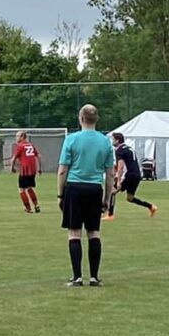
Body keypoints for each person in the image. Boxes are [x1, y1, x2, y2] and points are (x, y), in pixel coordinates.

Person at [58, 104, 114, 287]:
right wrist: (106, 198)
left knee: (74, 232)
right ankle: (94, 277)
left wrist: (60, 195)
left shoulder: (71, 139)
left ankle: (77, 277)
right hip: (94, 189)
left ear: (80, 118)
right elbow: (110, 173)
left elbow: (62, 170)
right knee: (93, 232)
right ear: (96, 119)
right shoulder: (105, 141)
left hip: (74, 188)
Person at [103, 132, 157, 220]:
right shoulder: (129, 148)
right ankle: (151, 206)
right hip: (137, 175)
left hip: (129, 175)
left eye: (112, 139)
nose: (111, 141)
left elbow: (121, 166)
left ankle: (110, 215)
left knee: (112, 191)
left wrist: (119, 181)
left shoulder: (119, 150)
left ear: (117, 140)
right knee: (130, 198)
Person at [9, 130, 42, 213]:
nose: (16, 138)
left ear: (22, 137)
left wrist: (12, 168)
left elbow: (13, 159)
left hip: (24, 171)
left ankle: (28, 208)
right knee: (29, 188)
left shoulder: (20, 146)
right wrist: (39, 168)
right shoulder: (31, 145)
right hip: (32, 171)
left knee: (21, 189)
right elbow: (38, 156)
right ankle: (36, 205)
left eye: (17, 136)